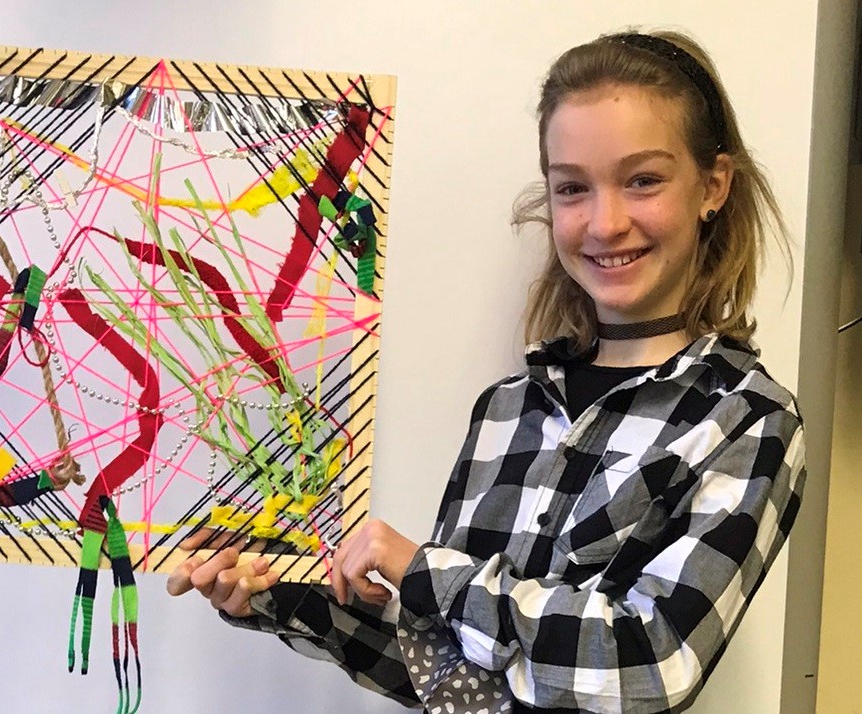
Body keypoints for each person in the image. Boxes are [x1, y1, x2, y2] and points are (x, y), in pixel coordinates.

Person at [167, 29, 806, 714]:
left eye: (642, 180)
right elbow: (446, 675)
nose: (605, 222)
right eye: (572, 188)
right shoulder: (507, 407)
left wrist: (423, 571)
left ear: (713, 186)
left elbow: (650, 665)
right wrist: (277, 594)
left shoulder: (748, 420)